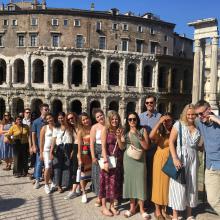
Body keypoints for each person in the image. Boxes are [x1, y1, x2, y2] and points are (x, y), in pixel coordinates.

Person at [169, 104, 200, 220]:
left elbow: (198, 145)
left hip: (193, 159)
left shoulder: (197, 127)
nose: (191, 116)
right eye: (189, 114)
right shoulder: (179, 125)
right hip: (180, 158)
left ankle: (189, 214)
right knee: (178, 185)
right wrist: (175, 158)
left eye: (193, 114)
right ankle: (175, 215)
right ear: (185, 114)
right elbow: (171, 142)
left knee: (192, 185)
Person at [195, 100, 220, 216]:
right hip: (211, 167)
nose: (200, 117)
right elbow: (186, 121)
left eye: (201, 113)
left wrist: (217, 121)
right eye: (198, 114)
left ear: (209, 110)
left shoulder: (218, 121)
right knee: (212, 199)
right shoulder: (200, 123)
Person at [123, 112, 150, 220]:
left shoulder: (142, 130)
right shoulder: (125, 132)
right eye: (130, 119)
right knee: (130, 183)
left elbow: (146, 147)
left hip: (140, 161)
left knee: (140, 183)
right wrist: (119, 137)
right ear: (127, 121)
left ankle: (142, 209)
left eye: (134, 119)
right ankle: (132, 208)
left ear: (137, 120)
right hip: (128, 160)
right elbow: (121, 147)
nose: (132, 121)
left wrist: (139, 136)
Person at [99, 110, 124, 217]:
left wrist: (118, 137)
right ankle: (104, 207)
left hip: (117, 161)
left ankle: (112, 206)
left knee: (115, 183)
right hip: (107, 160)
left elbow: (122, 147)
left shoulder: (120, 130)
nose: (115, 121)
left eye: (116, 119)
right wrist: (105, 161)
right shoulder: (105, 129)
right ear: (109, 120)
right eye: (113, 119)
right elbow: (103, 146)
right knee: (104, 183)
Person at [150, 113, 173, 220]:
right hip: (160, 159)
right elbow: (151, 136)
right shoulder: (160, 132)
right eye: (165, 120)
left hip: (170, 160)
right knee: (158, 184)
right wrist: (159, 122)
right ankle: (157, 211)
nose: (166, 122)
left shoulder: (174, 131)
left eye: (169, 120)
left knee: (167, 185)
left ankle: (164, 210)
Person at [139, 95, 161, 204]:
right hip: (142, 148)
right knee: (142, 174)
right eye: (147, 103)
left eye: (151, 102)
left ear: (155, 103)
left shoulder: (160, 117)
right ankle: (143, 199)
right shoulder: (140, 116)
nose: (149, 104)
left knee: (153, 174)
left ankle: (152, 199)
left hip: (154, 148)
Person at [50, 112, 73, 193]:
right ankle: (58, 185)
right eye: (59, 118)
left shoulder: (70, 126)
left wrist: (73, 150)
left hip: (68, 147)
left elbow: (73, 139)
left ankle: (66, 184)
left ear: (65, 118)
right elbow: (53, 139)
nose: (60, 120)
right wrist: (51, 151)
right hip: (59, 148)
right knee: (58, 167)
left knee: (67, 166)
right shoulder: (56, 128)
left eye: (62, 118)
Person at [90, 109, 105, 207]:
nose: (100, 118)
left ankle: (108, 195)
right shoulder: (94, 127)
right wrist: (93, 156)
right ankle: (99, 197)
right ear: (95, 119)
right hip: (98, 151)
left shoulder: (108, 125)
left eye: (101, 115)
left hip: (107, 151)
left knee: (106, 175)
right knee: (97, 175)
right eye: (97, 117)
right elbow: (91, 143)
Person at [32, 103, 49, 189]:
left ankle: (49, 179)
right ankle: (37, 180)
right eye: (45, 109)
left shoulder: (50, 120)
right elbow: (33, 135)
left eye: (47, 109)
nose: (47, 111)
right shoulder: (36, 121)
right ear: (41, 110)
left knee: (49, 163)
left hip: (49, 145)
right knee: (39, 162)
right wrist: (34, 146)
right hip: (40, 145)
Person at [64, 112, 81, 200]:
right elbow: (74, 140)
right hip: (75, 147)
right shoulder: (72, 128)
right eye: (69, 119)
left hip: (82, 147)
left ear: (75, 117)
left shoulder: (80, 126)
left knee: (80, 169)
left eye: (72, 118)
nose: (71, 120)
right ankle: (75, 189)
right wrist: (73, 151)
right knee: (75, 169)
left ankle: (76, 189)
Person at [77, 112, 92, 203]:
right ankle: (83, 193)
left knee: (93, 173)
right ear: (81, 122)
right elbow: (79, 146)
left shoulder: (93, 128)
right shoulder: (80, 131)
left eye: (87, 118)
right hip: (85, 153)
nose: (86, 121)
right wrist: (79, 158)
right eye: (83, 120)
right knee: (83, 174)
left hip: (94, 152)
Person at [39, 113, 55, 194]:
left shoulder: (57, 127)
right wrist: (41, 153)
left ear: (53, 117)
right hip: (46, 150)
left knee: (53, 167)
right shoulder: (44, 128)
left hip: (55, 150)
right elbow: (41, 141)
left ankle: (52, 181)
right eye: (47, 119)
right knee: (47, 167)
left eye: (50, 118)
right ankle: (46, 184)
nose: (49, 120)